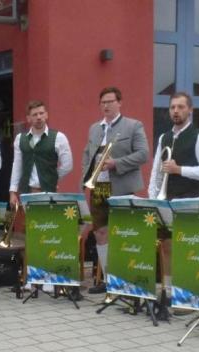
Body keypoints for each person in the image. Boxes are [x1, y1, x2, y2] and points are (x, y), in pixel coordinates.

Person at [81, 87, 149, 294]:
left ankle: (125, 279)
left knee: (122, 234)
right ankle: (110, 280)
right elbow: (87, 155)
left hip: (122, 187)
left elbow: (143, 154)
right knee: (100, 232)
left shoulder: (134, 125)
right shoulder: (94, 128)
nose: (106, 105)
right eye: (103, 102)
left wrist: (116, 163)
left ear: (120, 103)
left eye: (110, 101)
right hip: (99, 188)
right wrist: (85, 180)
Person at [147, 91, 199, 293]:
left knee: (186, 249)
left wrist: (180, 170)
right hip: (166, 201)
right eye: (172, 107)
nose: (176, 111)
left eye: (181, 107)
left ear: (190, 110)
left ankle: (186, 292)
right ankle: (168, 291)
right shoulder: (164, 137)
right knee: (167, 246)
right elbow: (156, 172)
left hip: (189, 201)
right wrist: (153, 199)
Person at [8, 100, 73, 294]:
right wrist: (13, 191)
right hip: (29, 193)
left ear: (47, 115)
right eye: (34, 114)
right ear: (28, 118)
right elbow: (17, 165)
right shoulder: (20, 139)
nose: (38, 117)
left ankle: (50, 278)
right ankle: (33, 277)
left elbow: (68, 165)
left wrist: (51, 179)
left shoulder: (58, 137)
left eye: (41, 113)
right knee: (34, 234)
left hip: (49, 192)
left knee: (49, 235)